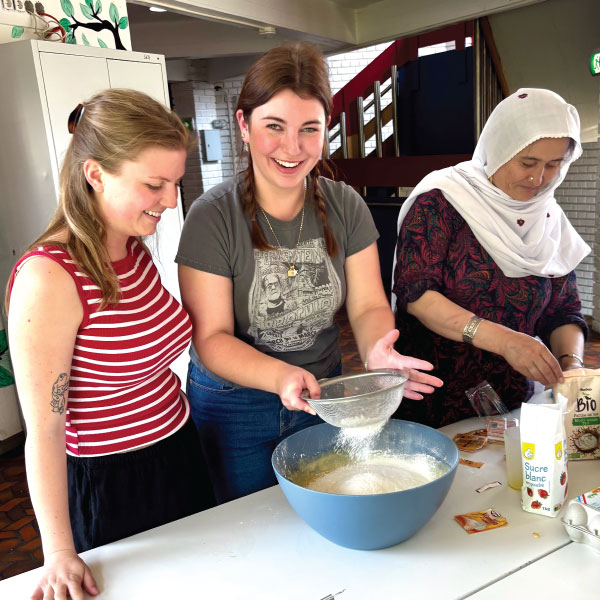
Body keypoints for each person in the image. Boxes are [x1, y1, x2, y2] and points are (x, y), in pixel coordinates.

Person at [176, 42, 443, 504]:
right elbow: (211, 337)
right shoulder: (211, 217)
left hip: (324, 394)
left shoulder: (345, 206)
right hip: (235, 406)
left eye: (309, 129)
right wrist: (280, 376)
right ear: (244, 124)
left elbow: (368, 305)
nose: (292, 148)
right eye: (274, 127)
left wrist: (378, 350)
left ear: (326, 131)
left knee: (321, 513)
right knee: (250, 528)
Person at [6, 89, 214, 600]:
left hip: (180, 449)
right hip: (113, 480)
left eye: (175, 183)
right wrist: (57, 551)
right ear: (95, 174)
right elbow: (46, 431)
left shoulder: (132, 247)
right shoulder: (49, 278)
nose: (171, 201)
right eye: (154, 184)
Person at [392, 88, 590, 428]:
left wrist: (570, 363)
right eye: (527, 162)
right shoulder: (442, 202)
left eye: (553, 165)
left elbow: (563, 310)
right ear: (498, 150)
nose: (538, 178)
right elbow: (416, 295)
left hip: (510, 402)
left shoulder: (547, 219)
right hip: (432, 399)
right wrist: (506, 341)